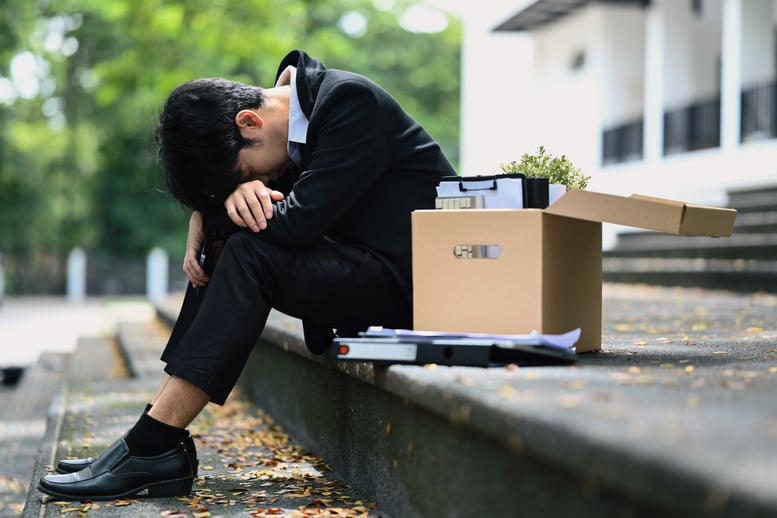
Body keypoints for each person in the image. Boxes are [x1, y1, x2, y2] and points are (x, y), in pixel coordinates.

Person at [38, 49, 456, 500]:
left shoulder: (349, 102)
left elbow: (298, 224)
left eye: (242, 173)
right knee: (225, 246)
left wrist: (212, 214)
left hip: (414, 291)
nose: (250, 182)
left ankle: (152, 443)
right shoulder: (293, 119)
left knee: (246, 248)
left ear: (249, 122)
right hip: (363, 273)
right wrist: (213, 212)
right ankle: (153, 432)